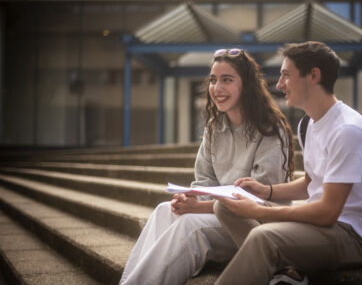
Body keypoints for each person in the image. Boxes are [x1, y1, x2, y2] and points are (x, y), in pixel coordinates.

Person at [213, 41, 362, 285]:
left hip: (352, 236)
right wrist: (267, 191)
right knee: (225, 207)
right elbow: (311, 182)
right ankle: (285, 272)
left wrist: (262, 211)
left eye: (286, 75)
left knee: (264, 237)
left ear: (313, 76)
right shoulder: (309, 124)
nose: (279, 85)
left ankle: (281, 270)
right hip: (320, 226)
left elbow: (328, 212)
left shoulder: (348, 130)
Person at [119, 48, 295, 285]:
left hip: (256, 225)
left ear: (247, 85)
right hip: (220, 214)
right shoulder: (215, 127)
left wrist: (198, 209)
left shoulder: (270, 129)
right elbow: (203, 182)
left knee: (189, 226)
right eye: (213, 80)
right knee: (165, 210)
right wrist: (188, 201)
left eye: (227, 80)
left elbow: (257, 200)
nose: (217, 88)